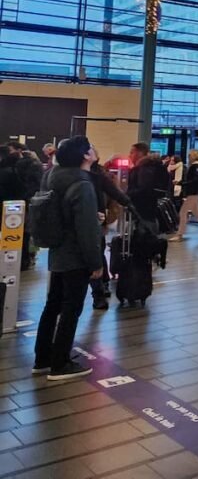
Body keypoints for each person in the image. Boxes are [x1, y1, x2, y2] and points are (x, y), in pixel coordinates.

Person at [32, 136, 104, 382]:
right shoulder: (83, 184)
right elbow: (86, 229)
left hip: (56, 250)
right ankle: (60, 363)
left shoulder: (51, 175)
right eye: (91, 148)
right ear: (86, 156)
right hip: (76, 255)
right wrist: (96, 263)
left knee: (52, 304)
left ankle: (42, 358)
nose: (94, 150)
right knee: (71, 308)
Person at [87, 153, 133, 310]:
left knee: (96, 252)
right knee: (96, 253)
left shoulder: (97, 174)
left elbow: (112, 193)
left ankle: (99, 290)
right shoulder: (97, 174)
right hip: (94, 219)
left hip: (96, 220)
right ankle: (100, 289)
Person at [170, 150, 198, 242]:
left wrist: (180, 183)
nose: (188, 157)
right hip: (197, 192)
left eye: (189, 155)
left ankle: (180, 234)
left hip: (193, 193)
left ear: (192, 157)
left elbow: (194, 180)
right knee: (196, 211)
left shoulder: (195, 166)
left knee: (183, 212)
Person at [127, 142, 170, 225]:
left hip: (142, 207)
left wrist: (128, 194)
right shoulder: (154, 166)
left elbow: (143, 188)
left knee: (144, 230)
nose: (129, 155)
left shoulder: (144, 168)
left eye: (132, 152)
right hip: (151, 206)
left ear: (139, 153)